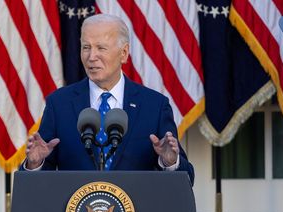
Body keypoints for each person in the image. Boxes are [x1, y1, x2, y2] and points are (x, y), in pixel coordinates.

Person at [20, 14, 194, 185]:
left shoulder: (154, 106)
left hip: (137, 211)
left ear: (124, 53)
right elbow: (38, 182)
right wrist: (35, 163)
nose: (91, 56)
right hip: (76, 211)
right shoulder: (59, 104)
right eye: (86, 47)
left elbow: (187, 179)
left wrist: (170, 162)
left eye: (101, 48)